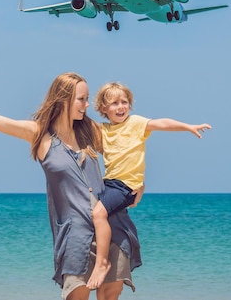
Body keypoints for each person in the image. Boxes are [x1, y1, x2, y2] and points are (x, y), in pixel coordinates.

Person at [0, 73, 141, 300]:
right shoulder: (40, 135)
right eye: (81, 99)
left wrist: (139, 184)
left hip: (112, 224)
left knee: (110, 295)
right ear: (63, 100)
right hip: (76, 234)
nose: (87, 105)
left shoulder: (92, 131)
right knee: (76, 296)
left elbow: (128, 152)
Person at [86, 81, 211, 289]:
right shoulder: (104, 130)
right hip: (109, 183)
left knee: (98, 214)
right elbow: (82, 125)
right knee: (96, 214)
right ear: (103, 109)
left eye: (124, 102)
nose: (120, 107)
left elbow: (161, 123)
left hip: (126, 186)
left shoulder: (135, 124)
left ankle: (102, 264)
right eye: (114, 103)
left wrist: (188, 127)